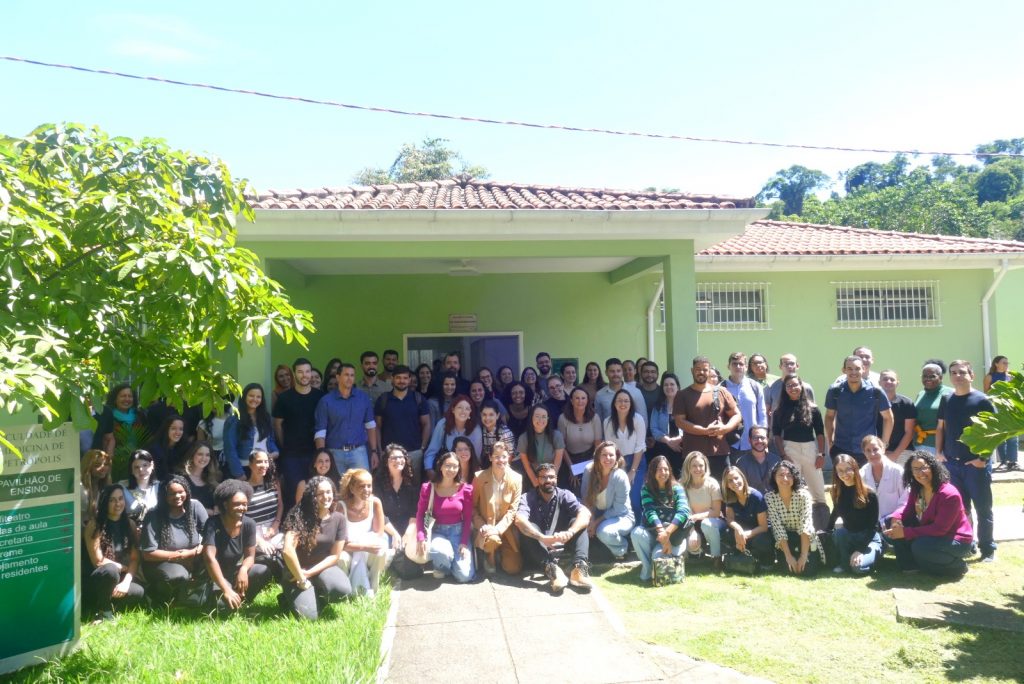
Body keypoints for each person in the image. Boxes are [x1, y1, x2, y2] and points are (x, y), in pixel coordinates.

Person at [936, 359, 996, 562]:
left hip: (975, 466)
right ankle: (968, 544)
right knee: (961, 509)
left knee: (983, 508)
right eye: (953, 372)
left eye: (962, 372)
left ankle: (988, 548)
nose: (957, 376)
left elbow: (995, 433)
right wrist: (939, 453)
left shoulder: (983, 400)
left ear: (971, 375)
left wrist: (982, 459)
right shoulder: (946, 399)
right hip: (952, 464)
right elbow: (940, 428)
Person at [884, 451, 974, 576]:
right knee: (890, 524)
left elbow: (939, 529)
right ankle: (910, 566)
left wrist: (905, 532)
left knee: (920, 547)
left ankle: (957, 566)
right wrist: (896, 520)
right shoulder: (917, 488)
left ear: (933, 467)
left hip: (955, 539)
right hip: (930, 535)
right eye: (915, 469)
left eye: (924, 467)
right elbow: (908, 513)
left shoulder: (948, 494)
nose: (920, 473)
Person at [281, 475, 353, 619]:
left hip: (321, 569)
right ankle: (286, 598)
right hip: (296, 572)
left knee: (343, 591)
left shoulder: (339, 519)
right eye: (320, 493)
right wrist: (301, 578)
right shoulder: (298, 516)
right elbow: (287, 551)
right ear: (312, 496)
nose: (325, 497)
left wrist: (309, 573)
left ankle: (316, 593)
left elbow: (334, 556)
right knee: (309, 617)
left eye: (328, 492)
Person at [515, 462, 593, 593]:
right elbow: (519, 520)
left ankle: (579, 569)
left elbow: (586, 514)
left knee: (578, 523)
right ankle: (553, 571)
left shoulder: (565, 495)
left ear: (556, 479)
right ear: (537, 479)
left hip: (562, 545)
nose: (548, 480)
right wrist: (542, 538)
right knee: (527, 528)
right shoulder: (527, 497)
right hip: (539, 551)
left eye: (551, 477)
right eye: (544, 477)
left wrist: (570, 532)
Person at [200, 480, 273, 612]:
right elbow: (209, 558)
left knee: (262, 570)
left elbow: (250, 556)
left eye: (245, 504)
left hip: (234, 571)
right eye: (237, 504)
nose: (242, 508)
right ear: (225, 504)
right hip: (214, 575)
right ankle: (229, 598)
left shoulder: (249, 524)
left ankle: (242, 600)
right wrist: (226, 589)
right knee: (222, 608)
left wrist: (243, 570)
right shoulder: (213, 523)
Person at [771, 373, 829, 531]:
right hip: (790, 450)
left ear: (801, 386)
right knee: (792, 490)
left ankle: (823, 530)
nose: (793, 388)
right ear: (785, 389)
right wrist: (783, 455)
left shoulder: (813, 409)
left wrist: (821, 454)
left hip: (810, 450)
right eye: (789, 386)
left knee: (818, 491)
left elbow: (820, 433)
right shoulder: (779, 411)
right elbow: (776, 435)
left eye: (795, 385)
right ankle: (795, 528)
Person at [141, 475, 209, 605]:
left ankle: (200, 598)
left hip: (193, 557)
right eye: (172, 493)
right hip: (160, 563)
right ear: (164, 496)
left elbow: (209, 537)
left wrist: (192, 553)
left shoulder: (195, 507)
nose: (177, 496)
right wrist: (180, 557)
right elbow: (148, 554)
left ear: (186, 492)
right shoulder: (154, 515)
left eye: (181, 492)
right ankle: (158, 597)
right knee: (179, 575)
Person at [82, 485, 146, 620]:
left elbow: (135, 559)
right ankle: (104, 612)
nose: (118, 504)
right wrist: (121, 567)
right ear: (105, 503)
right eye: (112, 500)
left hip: (118, 579)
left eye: (120, 499)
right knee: (110, 570)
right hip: (98, 578)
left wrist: (126, 582)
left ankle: (107, 604)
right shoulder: (94, 525)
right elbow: (98, 561)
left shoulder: (130, 524)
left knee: (138, 592)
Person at [674, 356, 740, 482]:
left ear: (709, 371)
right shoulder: (682, 395)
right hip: (693, 455)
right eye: (698, 369)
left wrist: (725, 428)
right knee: (693, 489)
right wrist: (704, 431)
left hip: (720, 453)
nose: (701, 372)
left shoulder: (721, 392)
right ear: (692, 370)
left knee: (722, 490)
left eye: (705, 369)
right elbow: (679, 421)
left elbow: (736, 415)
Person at [273, 357, 325, 509]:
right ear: (294, 373)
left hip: (314, 453)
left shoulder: (320, 397)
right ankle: (294, 522)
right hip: (291, 455)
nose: (304, 375)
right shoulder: (284, 398)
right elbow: (277, 424)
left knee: (315, 492)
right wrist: (284, 445)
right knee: (293, 494)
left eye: (307, 371)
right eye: (300, 372)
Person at [415, 451, 474, 582]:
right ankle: (443, 565)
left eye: (455, 466)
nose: (451, 470)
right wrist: (420, 537)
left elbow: (468, 517)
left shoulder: (465, 489)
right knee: (440, 552)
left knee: (464, 576)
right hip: (437, 531)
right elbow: (420, 514)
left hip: (458, 532)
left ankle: (448, 563)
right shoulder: (428, 488)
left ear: (459, 468)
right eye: (447, 465)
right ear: (440, 466)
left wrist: (464, 542)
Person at [630, 455, 690, 582]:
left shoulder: (677, 488)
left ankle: (657, 562)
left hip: (674, 535)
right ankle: (647, 569)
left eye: (666, 469)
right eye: (659, 469)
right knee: (636, 533)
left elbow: (683, 511)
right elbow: (649, 511)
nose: (663, 472)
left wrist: (667, 533)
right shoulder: (646, 489)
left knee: (657, 557)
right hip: (655, 532)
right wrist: (662, 532)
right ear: (652, 471)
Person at [825, 355, 893, 466]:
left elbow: (888, 417)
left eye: (857, 369)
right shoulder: (835, 391)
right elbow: (829, 416)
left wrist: (884, 444)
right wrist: (829, 441)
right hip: (841, 447)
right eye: (850, 369)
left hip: (867, 450)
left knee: (866, 478)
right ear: (844, 370)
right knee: (843, 477)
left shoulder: (875, 391)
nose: (854, 372)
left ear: (863, 369)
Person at [314, 363, 379, 475]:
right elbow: (320, 432)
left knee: (362, 485)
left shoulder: (363, 398)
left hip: (359, 452)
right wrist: (322, 455)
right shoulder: (326, 401)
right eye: (346, 375)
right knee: (335, 486)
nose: (349, 378)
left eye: (352, 375)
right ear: (338, 377)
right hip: (334, 453)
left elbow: (370, 426)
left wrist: (374, 451)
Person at [375, 364, 431, 487]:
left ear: (409, 380)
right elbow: (377, 427)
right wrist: (380, 449)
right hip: (390, 453)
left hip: (414, 453)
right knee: (390, 486)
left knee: (414, 487)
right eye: (398, 378)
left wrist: (422, 448)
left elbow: (426, 424)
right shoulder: (383, 400)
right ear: (392, 379)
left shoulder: (418, 399)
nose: (402, 381)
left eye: (405, 378)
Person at [764, 461, 824, 576]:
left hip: (805, 537)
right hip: (785, 540)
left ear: (794, 477)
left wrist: (803, 556)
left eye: (789, 475)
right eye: (781, 475)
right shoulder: (769, 498)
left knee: (808, 572)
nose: (785, 479)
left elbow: (806, 524)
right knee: (787, 570)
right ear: (774, 477)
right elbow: (777, 527)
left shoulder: (804, 495)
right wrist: (788, 556)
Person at [472, 442, 524, 574]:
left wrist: (497, 529)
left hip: (505, 528)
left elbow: (512, 510)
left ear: (509, 457)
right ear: (490, 457)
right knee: (492, 539)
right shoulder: (479, 477)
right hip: (486, 527)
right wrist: (482, 525)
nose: (501, 460)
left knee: (513, 568)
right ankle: (488, 555)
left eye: (504, 456)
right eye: (496, 456)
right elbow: (472, 507)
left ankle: (499, 552)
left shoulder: (517, 478)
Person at [826, 454, 882, 574]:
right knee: (839, 533)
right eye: (840, 470)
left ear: (855, 469)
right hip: (849, 536)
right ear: (836, 472)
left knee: (858, 568)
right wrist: (827, 530)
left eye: (848, 469)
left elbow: (874, 526)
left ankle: (874, 553)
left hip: (869, 538)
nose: (844, 474)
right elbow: (836, 512)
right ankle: (844, 562)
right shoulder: (836, 492)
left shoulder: (869, 493)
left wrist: (860, 550)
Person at [337, 469, 388, 597]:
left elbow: (378, 534)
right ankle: (346, 592)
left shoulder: (375, 503)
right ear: (352, 488)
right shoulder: (341, 507)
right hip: (348, 550)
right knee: (341, 558)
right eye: (362, 486)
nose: (366, 490)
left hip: (367, 547)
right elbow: (339, 544)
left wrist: (365, 547)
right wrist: (363, 547)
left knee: (381, 550)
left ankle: (374, 589)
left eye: (369, 486)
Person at [581, 441, 634, 560]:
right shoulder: (589, 470)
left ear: (617, 457)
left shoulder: (620, 476)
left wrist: (595, 523)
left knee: (604, 532)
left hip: (621, 516)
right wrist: (591, 520)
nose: (608, 458)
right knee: (579, 524)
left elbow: (619, 509)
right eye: (604, 455)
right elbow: (586, 498)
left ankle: (622, 550)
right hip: (596, 514)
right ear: (598, 456)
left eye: (611, 455)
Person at [603, 389, 648, 520]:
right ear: (614, 403)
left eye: (626, 401)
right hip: (617, 462)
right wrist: (617, 469)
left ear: (631, 403)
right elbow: (610, 448)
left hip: (637, 461)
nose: (623, 403)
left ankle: (638, 525)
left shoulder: (638, 419)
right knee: (619, 496)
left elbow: (640, 446)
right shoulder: (608, 422)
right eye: (619, 400)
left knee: (635, 498)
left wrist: (632, 471)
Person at [681, 450, 726, 570]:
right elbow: (684, 512)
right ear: (688, 467)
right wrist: (692, 531)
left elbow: (716, 512)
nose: (698, 469)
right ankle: (692, 554)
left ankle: (716, 558)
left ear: (705, 467)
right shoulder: (682, 485)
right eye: (694, 466)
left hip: (713, 521)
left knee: (706, 524)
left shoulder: (712, 483)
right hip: (691, 523)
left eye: (701, 465)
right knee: (692, 546)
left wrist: (695, 517)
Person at [224, 383, 279, 479]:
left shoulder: (266, 418)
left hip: (265, 467)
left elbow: (270, 440)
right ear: (244, 397)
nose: (255, 399)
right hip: (245, 468)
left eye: (258, 397)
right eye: (251, 396)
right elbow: (230, 449)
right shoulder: (233, 420)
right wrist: (239, 473)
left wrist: (275, 452)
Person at [721, 466, 773, 567]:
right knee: (725, 533)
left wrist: (744, 535)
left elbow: (763, 527)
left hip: (756, 532)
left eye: (736, 478)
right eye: (730, 481)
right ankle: (737, 557)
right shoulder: (730, 497)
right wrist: (738, 529)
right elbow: (730, 519)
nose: (734, 482)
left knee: (762, 541)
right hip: (741, 532)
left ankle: (763, 560)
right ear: (727, 485)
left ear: (742, 478)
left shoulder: (756, 496)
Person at [91, 383, 149, 473]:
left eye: (130, 396)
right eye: (123, 396)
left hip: (138, 461)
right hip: (116, 462)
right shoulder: (107, 415)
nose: (127, 399)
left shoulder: (140, 415)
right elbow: (106, 439)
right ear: (115, 399)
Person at [424, 395, 483, 481]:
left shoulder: (476, 429)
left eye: (467, 409)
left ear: (470, 412)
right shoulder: (443, 425)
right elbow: (432, 450)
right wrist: (429, 470)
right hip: (445, 472)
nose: (463, 411)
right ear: (453, 409)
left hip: (467, 473)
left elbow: (476, 457)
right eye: (460, 407)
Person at [723, 352, 767, 453]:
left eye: (741, 364)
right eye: (734, 364)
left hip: (752, 443)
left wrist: (762, 439)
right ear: (728, 366)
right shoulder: (721, 388)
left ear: (746, 367)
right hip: (729, 443)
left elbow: (762, 414)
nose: (738, 366)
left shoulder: (755, 387)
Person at [860, 435, 908, 525]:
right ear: (864, 453)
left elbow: (905, 501)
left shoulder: (898, 472)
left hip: (895, 523)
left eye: (875, 449)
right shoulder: (862, 473)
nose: (872, 454)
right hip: (870, 524)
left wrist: (893, 519)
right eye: (868, 451)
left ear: (883, 449)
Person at [245, 449, 284, 557]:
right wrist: (259, 541)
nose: (263, 465)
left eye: (266, 461)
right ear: (250, 464)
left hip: (273, 531)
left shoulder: (274, 484)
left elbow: (280, 505)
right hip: (253, 535)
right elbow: (241, 519)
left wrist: (276, 525)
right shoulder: (244, 488)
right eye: (259, 462)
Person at [517, 404, 567, 490]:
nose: (540, 420)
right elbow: (527, 466)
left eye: (544, 417)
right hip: (533, 478)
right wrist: (536, 484)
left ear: (548, 419)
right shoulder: (523, 438)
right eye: (537, 416)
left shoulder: (557, 436)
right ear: (531, 418)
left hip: (553, 476)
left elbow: (557, 463)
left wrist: (550, 480)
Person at [375, 444, 418, 542]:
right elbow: (379, 513)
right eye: (393, 458)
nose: (398, 460)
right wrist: (394, 534)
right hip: (386, 528)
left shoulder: (412, 481)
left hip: (410, 528)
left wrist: (408, 533)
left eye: (401, 457)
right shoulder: (378, 483)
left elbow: (415, 511)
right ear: (386, 462)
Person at [558, 387, 603, 477]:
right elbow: (561, 446)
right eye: (577, 398)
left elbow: (598, 444)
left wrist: (593, 464)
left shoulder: (594, 418)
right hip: (569, 459)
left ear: (587, 400)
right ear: (571, 401)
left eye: (583, 398)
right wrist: (571, 467)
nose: (580, 401)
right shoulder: (563, 418)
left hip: (590, 457)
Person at [984, 355, 1018, 471]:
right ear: (996, 364)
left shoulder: (1010, 377)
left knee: (1013, 435)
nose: (1006, 365)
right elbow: (986, 393)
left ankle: (1013, 462)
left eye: (1007, 363)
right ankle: (1003, 461)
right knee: (1000, 435)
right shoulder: (989, 377)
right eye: (1004, 363)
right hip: (996, 408)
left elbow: (1015, 391)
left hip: (1010, 408)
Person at [878, 369, 917, 464]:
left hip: (903, 451)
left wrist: (895, 454)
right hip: (877, 451)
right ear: (879, 382)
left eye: (892, 379)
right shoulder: (872, 403)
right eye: (885, 379)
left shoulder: (907, 403)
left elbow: (909, 432)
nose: (888, 382)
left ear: (897, 383)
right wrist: (880, 451)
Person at [649, 373, 685, 476]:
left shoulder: (685, 405)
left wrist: (679, 439)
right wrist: (669, 441)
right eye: (666, 385)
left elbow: (690, 425)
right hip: (663, 448)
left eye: (672, 384)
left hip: (682, 448)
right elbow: (654, 428)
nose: (669, 387)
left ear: (677, 387)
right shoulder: (658, 406)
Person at [913, 361, 952, 455]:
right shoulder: (921, 394)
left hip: (940, 447)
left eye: (932, 376)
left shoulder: (949, 393)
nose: (928, 379)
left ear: (941, 377)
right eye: (925, 376)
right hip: (919, 443)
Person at [595, 358, 647, 424]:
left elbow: (643, 419)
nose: (616, 374)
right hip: (608, 430)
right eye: (612, 371)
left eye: (618, 371)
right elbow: (599, 421)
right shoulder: (600, 395)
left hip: (632, 430)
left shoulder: (635, 392)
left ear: (622, 372)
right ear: (606, 372)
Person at [733, 426, 780, 495]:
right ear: (749, 440)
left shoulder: (776, 460)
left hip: (773, 500)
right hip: (751, 499)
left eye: (762, 438)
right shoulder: (742, 462)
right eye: (755, 438)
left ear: (767, 440)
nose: (759, 441)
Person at [177, 441, 220, 516]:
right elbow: (180, 505)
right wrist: (209, 512)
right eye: (200, 454)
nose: (204, 458)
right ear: (192, 455)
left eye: (207, 455)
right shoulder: (181, 478)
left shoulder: (213, 480)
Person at [119, 449, 160, 527]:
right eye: (136, 467)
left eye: (145, 465)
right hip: (129, 529)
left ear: (152, 465)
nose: (141, 470)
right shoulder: (122, 487)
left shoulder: (159, 487)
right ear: (131, 470)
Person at [145, 414, 191, 480]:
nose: (178, 432)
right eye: (173, 428)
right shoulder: (154, 448)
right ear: (166, 429)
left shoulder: (185, 447)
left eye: (181, 429)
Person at [479, 400, 517, 470]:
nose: (487, 418)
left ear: (497, 416)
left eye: (491, 415)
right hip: (491, 461)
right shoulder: (480, 430)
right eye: (484, 415)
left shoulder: (505, 433)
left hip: (508, 464)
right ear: (480, 415)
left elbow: (510, 456)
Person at [80, 448, 113, 527]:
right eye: (97, 465)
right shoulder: (80, 488)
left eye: (106, 464)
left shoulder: (104, 486)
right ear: (88, 467)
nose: (103, 468)